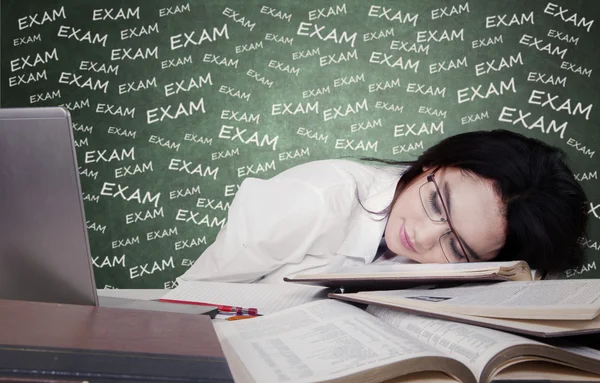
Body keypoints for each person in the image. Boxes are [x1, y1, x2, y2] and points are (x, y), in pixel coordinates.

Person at [178, 129, 589, 283]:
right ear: (433, 163)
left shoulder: (476, 267)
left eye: (456, 247)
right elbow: (196, 299)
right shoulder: (317, 198)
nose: (422, 237)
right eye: (435, 202)